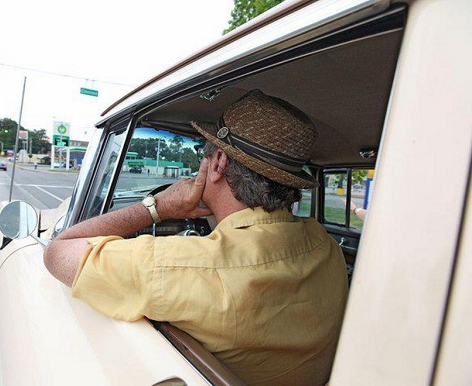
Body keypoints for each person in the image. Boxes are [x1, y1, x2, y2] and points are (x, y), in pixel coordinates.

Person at [43, 90, 348, 385]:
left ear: (218, 164)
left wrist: (157, 207)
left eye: (205, 156)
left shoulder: (176, 265)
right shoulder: (327, 247)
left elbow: (57, 251)